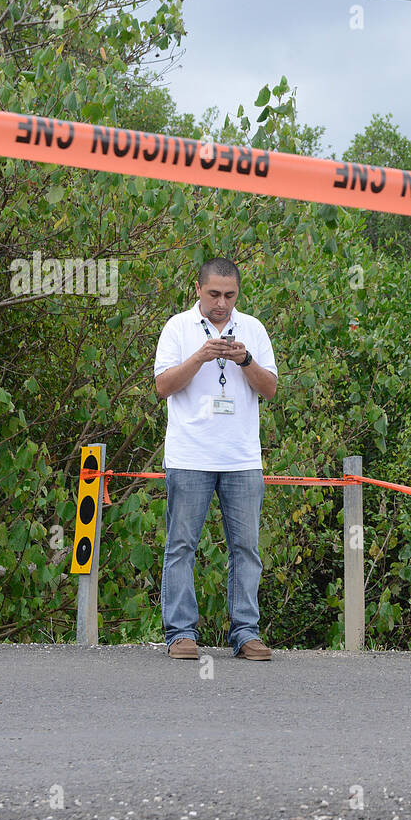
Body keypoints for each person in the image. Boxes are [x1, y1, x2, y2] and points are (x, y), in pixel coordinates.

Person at [152, 257, 278, 660]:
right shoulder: (177, 327)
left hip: (241, 458)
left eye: (229, 295)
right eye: (214, 294)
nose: (221, 303)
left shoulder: (253, 328)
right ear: (197, 290)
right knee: (181, 545)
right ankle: (181, 634)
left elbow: (271, 389)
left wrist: (244, 360)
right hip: (190, 454)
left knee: (246, 548)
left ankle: (245, 632)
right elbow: (162, 386)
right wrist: (200, 357)